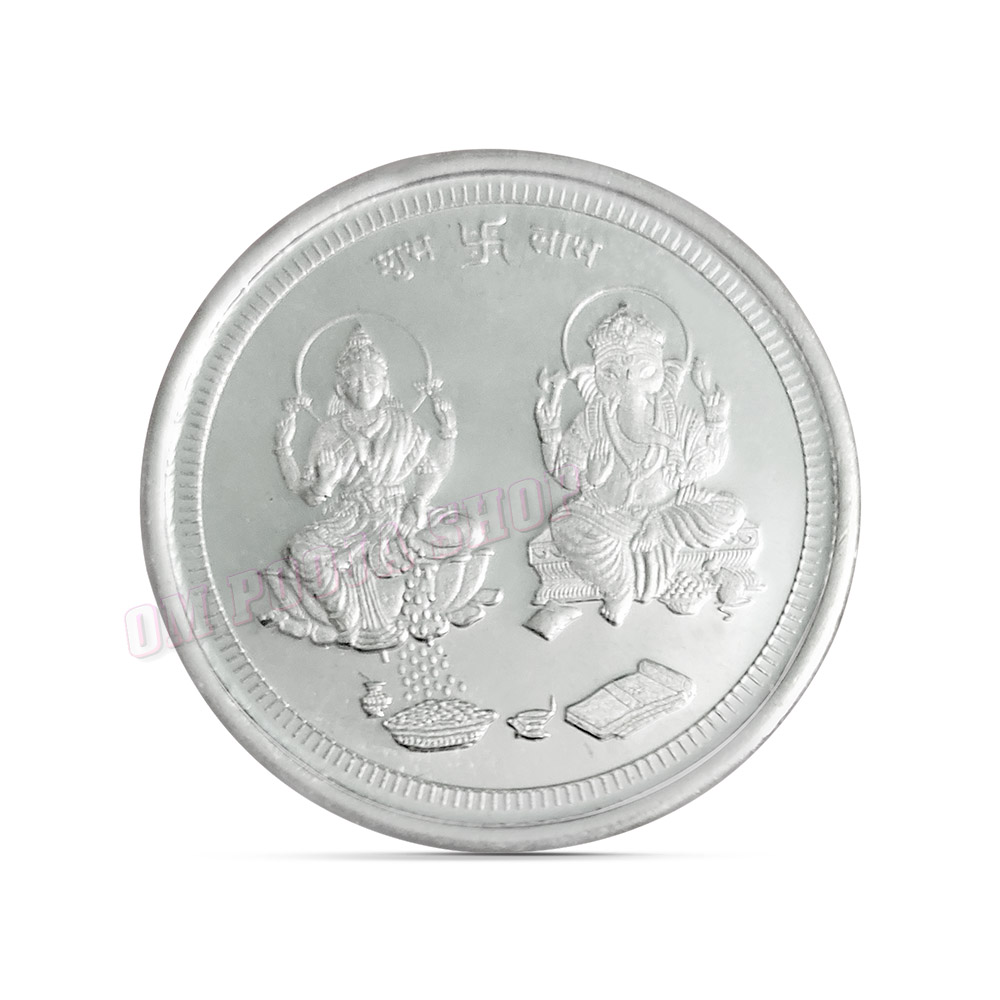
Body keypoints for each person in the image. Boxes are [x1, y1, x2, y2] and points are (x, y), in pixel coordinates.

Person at [265, 326, 485, 649]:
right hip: (351, 520)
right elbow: (307, 494)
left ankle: (384, 555)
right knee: (301, 552)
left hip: (399, 512)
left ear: (385, 382)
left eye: (371, 378)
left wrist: (418, 501)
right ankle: (346, 619)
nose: (363, 385)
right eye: (353, 380)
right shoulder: (328, 432)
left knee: (471, 530)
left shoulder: (403, 424)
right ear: (340, 388)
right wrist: (325, 482)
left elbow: (430, 471)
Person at [534, 304, 746, 625]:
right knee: (564, 523)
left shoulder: (675, 416)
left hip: (668, 512)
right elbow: (565, 474)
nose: (628, 381)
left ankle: (655, 528)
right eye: (612, 373)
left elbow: (707, 464)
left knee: (732, 511)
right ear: (595, 375)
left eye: (644, 371)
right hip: (609, 515)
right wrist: (569, 454)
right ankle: (618, 586)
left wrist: (715, 421)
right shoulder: (592, 419)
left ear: (663, 370)